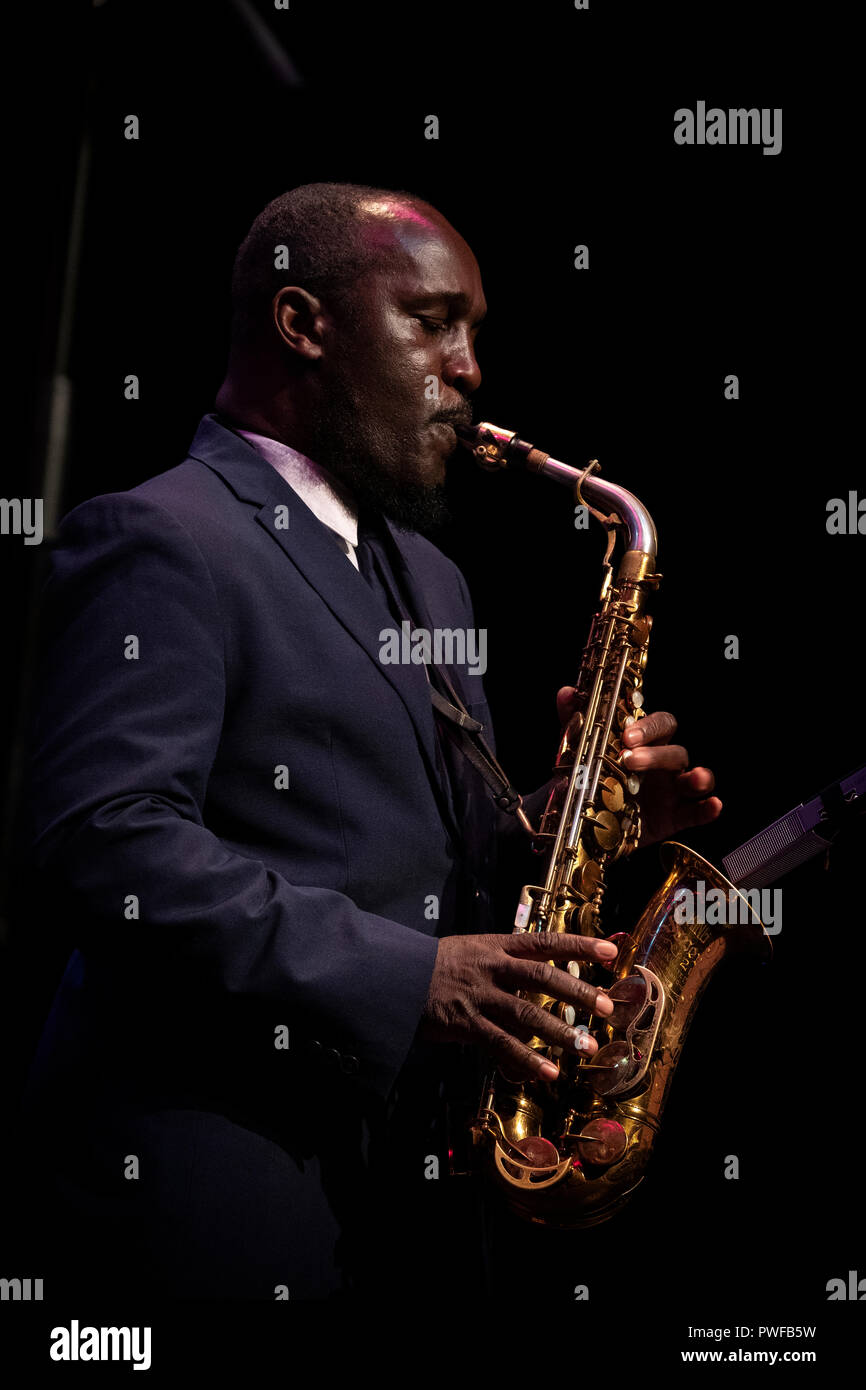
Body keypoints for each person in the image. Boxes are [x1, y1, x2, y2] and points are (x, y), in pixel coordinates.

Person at [21, 182, 721, 1301]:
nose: (469, 370)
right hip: (218, 1205)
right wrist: (410, 979)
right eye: (433, 321)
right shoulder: (159, 535)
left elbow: (386, 847)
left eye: (473, 332)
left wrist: (562, 824)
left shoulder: (426, 573)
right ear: (304, 324)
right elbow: (105, 847)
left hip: (401, 1213)